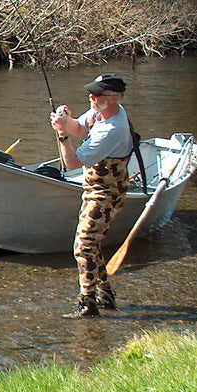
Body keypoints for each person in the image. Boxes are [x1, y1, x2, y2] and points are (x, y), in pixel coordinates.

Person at [50, 73, 133, 318]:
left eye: (97, 94)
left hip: (107, 194)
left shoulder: (112, 129)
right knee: (91, 243)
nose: (91, 96)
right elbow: (78, 127)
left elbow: (73, 163)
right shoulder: (101, 111)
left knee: (83, 245)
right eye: (92, 92)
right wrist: (66, 121)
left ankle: (87, 303)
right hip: (95, 189)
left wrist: (62, 136)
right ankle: (105, 294)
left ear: (114, 98)